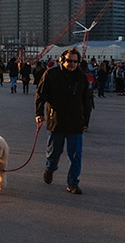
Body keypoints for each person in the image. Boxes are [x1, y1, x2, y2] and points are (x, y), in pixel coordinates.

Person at [34, 47, 95, 194]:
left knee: (75, 154)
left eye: (75, 61)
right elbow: (41, 94)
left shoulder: (82, 77)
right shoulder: (51, 74)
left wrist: (86, 121)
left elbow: (87, 100)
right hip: (56, 120)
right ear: (62, 60)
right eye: (69, 60)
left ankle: (73, 182)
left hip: (76, 121)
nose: (72, 64)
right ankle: (50, 168)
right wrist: (39, 113)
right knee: (54, 152)